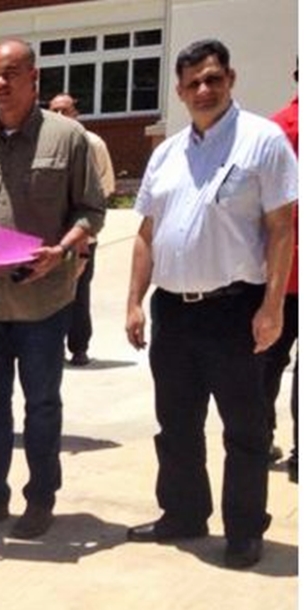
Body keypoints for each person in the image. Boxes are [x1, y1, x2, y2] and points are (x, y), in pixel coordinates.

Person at [125, 39, 297, 569]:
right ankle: (183, 513)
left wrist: (273, 307)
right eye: (193, 82)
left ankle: (243, 530)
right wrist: (134, 302)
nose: (204, 89)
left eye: (213, 79)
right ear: (179, 91)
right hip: (173, 311)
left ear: (230, 79)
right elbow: (147, 233)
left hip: (234, 309)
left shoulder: (263, 141)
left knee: (245, 427)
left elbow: (282, 229)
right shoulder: (167, 153)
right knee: (176, 422)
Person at [0, 39, 105, 539]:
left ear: (34, 78)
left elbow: (91, 210)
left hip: (43, 300)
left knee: (42, 405)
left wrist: (63, 250)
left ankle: (40, 499)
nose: (0, 83)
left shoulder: (67, 139)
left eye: (11, 73)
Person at [48, 93, 116, 367]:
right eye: (54, 111)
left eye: (65, 110)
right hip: (49, 236)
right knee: (48, 295)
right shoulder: (43, 144)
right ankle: (50, 348)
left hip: (81, 236)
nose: (60, 116)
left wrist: (85, 233)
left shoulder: (92, 143)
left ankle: (79, 347)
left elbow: (104, 189)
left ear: (76, 113)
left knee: (78, 292)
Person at [264, 67, 299, 483]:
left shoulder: (273, 130)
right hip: (284, 267)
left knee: (267, 363)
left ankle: (258, 440)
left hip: (278, 272)